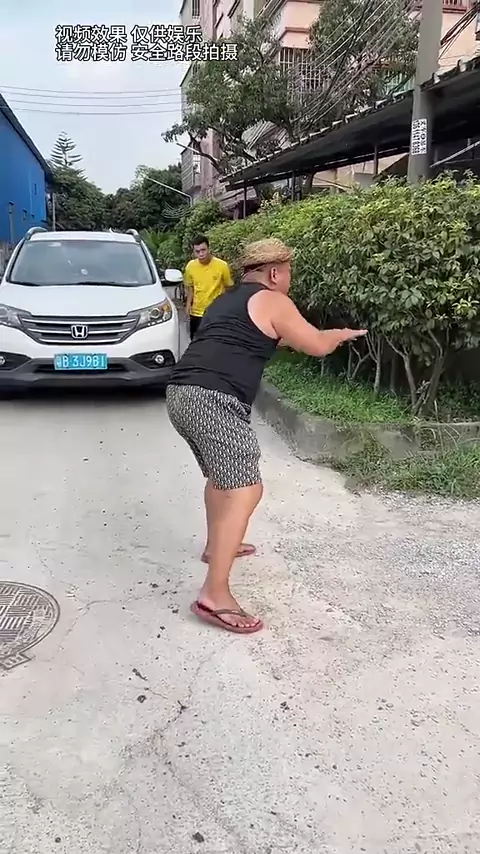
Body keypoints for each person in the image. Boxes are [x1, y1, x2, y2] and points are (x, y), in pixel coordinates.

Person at [166, 238, 367, 635]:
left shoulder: (226, 301)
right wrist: (340, 334)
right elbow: (315, 345)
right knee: (245, 489)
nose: (288, 280)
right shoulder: (273, 299)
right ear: (275, 273)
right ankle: (214, 594)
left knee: (222, 478)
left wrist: (319, 334)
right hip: (214, 398)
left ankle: (216, 547)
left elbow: (281, 337)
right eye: (288, 273)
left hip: (181, 393)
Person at [184, 235, 233, 339]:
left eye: (203, 250)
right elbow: (190, 287)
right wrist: (188, 306)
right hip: (197, 313)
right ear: (193, 252)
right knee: (196, 341)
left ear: (209, 248)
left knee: (216, 341)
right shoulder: (190, 266)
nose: (201, 254)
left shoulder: (222, 266)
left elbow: (228, 287)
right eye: (197, 251)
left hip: (216, 312)